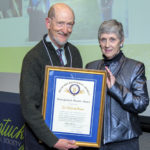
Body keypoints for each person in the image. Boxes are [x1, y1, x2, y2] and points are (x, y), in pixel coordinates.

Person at [20, 3, 82, 150]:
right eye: (60, 23)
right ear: (48, 23)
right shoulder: (33, 58)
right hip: (42, 142)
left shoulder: (75, 53)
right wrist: (53, 141)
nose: (65, 30)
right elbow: (29, 108)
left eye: (69, 24)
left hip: (69, 138)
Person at [85, 19, 149, 150]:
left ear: (121, 41)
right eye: (103, 39)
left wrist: (115, 88)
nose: (107, 44)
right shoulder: (91, 66)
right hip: (94, 141)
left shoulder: (135, 67)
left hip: (124, 141)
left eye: (112, 39)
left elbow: (141, 103)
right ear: (99, 41)